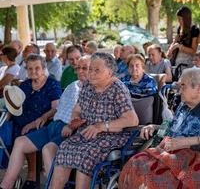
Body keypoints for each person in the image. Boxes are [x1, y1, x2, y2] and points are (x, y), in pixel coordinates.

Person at [50, 52, 139, 189]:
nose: (91, 73)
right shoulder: (87, 86)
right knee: (64, 148)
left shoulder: (118, 89)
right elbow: (77, 110)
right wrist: (75, 121)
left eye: (97, 70)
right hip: (87, 132)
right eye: (90, 69)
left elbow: (132, 120)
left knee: (85, 154)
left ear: (109, 73)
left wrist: (101, 126)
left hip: (111, 136)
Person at [0, 56, 91, 189]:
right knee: (20, 142)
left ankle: (53, 186)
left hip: (69, 129)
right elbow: (58, 108)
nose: (81, 71)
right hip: (52, 125)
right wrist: (45, 116)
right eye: (78, 68)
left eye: (85, 68)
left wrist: (70, 125)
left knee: (47, 149)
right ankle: (6, 185)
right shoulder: (72, 86)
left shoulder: (93, 90)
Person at [119, 67, 200, 189]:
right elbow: (173, 127)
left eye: (184, 86)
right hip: (169, 150)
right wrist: (154, 126)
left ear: (198, 89)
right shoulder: (183, 106)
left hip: (191, 157)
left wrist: (187, 141)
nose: (179, 92)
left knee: (150, 174)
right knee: (135, 163)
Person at [1, 54, 62, 189]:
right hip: (19, 121)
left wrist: (35, 122)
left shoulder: (52, 84)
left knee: (26, 133)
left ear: (43, 68)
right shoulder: (26, 84)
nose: (33, 71)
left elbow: (55, 109)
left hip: (41, 123)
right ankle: (11, 178)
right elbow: (14, 104)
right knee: (7, 133)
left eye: (37, 68)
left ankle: (32, 175)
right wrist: (6, 120)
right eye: (30, 69)